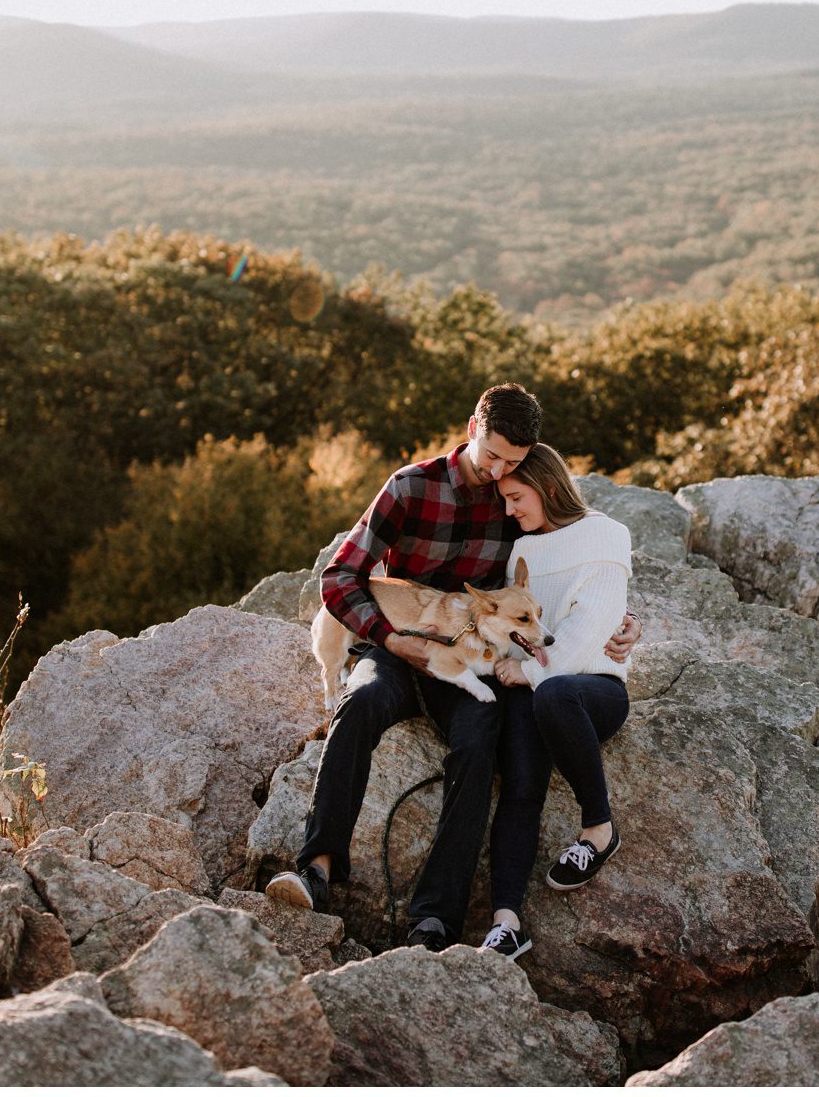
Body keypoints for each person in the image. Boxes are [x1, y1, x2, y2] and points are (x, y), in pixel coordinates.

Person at [266, 384, 642, 951]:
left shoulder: (514, 501)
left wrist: (620, 621)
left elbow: (566, 563)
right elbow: (339, 578)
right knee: (361, 701)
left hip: (469, 662)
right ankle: (316, 869)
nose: (498, 473)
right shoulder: (411, 487)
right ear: (472, 428)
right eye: (491, 455)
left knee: (478, 744)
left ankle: (435, 918)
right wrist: (391, 640)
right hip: (399, 647)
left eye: (512, 464)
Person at [477, 442, 635, 961]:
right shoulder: (522, 551)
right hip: (534, 688)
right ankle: (506, 924)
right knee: (520, 784)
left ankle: (598, 828)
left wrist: (524, 671)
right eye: (504, 499)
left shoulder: (607, 535)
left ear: (547, 488)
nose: (509, 511)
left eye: (516, 497)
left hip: (592, 691)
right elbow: (515, 621)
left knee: (556, 692)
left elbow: (592, 628)